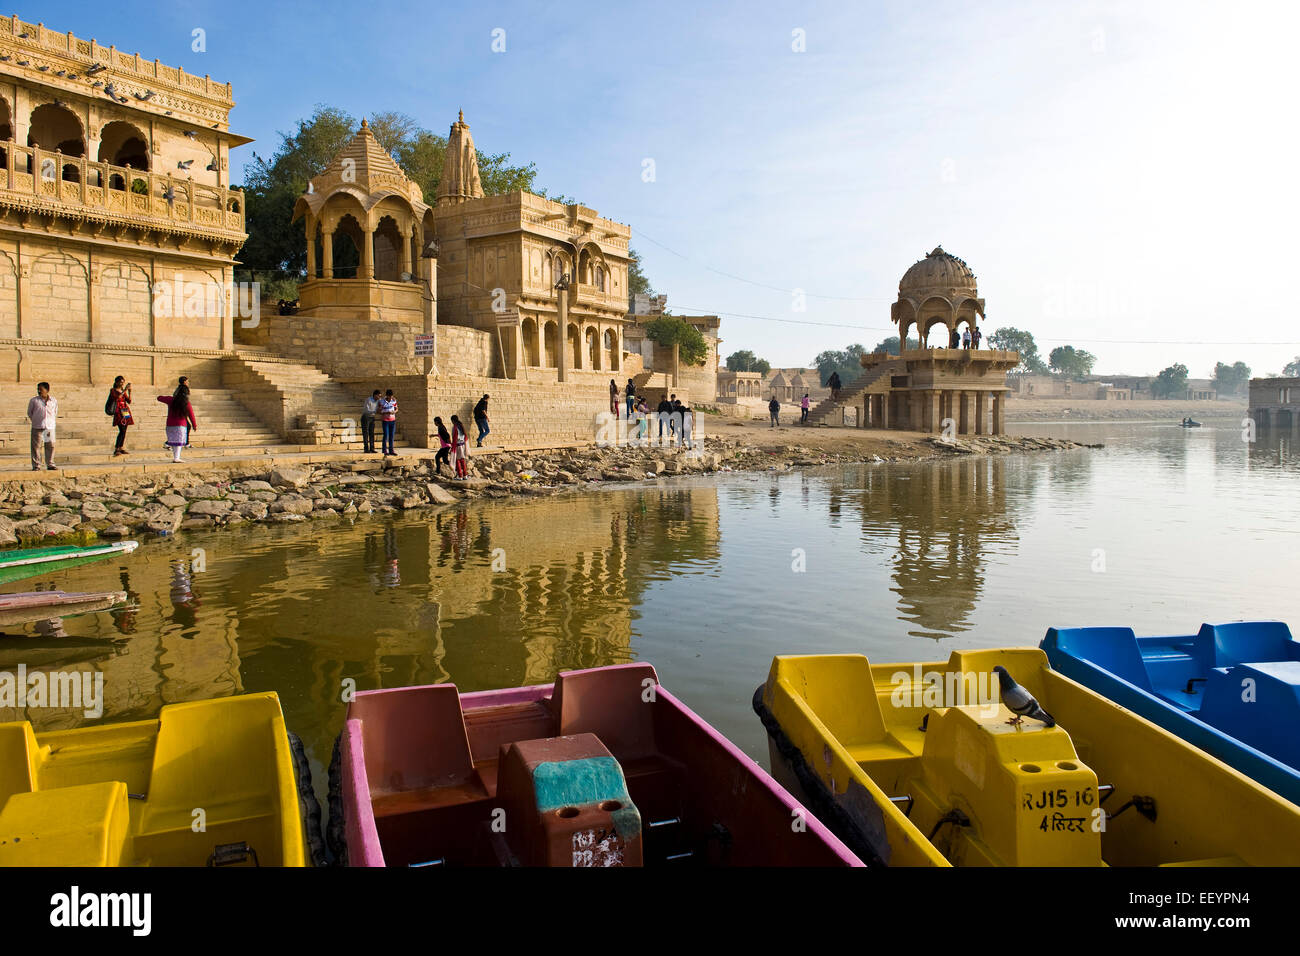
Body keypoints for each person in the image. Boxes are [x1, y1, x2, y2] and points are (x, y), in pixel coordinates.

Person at [157, 378, 196, 463]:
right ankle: (176, 457)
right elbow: (191, 415)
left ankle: (175, 457)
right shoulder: (186, 403)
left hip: (170, 424)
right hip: (180, 424)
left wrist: (169, 398)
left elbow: (159, 398)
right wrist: (194, 425)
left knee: (174, 441)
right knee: (179, 442)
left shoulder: (171, 400)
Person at [26, 381, 57, 471]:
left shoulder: (53, 401)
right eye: (38, 389)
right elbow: (30, 412)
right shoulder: (34, 401)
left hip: (49, 427)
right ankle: (36, 465)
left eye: (41, 389)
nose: (39, 391)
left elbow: (55, 412)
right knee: (36, 447)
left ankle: (50, 463)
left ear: (47, 390)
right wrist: (36, 420)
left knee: (50, 446)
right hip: (37, 426)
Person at [107, 376, 133, 456]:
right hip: (118, 411)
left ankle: (121, 447)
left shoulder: (122, 391)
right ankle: (117, 448)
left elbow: (129, 401)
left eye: (123, 382)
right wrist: (124, 390)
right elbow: (117, 397)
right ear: (117, 382)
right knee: (121, 430)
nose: (122, 384)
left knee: (124, 430)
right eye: (121, 382)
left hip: (125, 411)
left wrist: (129, 392)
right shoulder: (113, 390)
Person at [379, 389, 398, 456]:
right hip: (385, 420)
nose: (390, 398)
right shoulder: (382, 401)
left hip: (392, 420)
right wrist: (386, 412)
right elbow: (379, 411)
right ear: (387, 396)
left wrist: (394, 412)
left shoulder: (394, 401)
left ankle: (391, 450)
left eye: (391, 396)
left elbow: (396, 409)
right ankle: (384, 450)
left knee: (391, 436)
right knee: (386, 435)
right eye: (389, 397)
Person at [361, 389, 380, 454]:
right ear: (375, 395)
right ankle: (366, 448)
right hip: (366, 417)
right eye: (378, 396)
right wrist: (374, 411)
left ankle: (372, 448)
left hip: (372, 418)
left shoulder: (378, 401)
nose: (379, 398)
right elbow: (366, 410)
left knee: (372, 433)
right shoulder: (368, 400)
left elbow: (385, 400)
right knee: (366, 433)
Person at [450, 414, 469, 479]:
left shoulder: (455, 427)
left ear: (453, 420)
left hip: (457, 445)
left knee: (457, 460)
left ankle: (460, 475)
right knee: (462, 460)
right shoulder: (461, 425)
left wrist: (453, 447)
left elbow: (454, 437)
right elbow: (465, 436)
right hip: (462, 445)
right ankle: (465, 475)